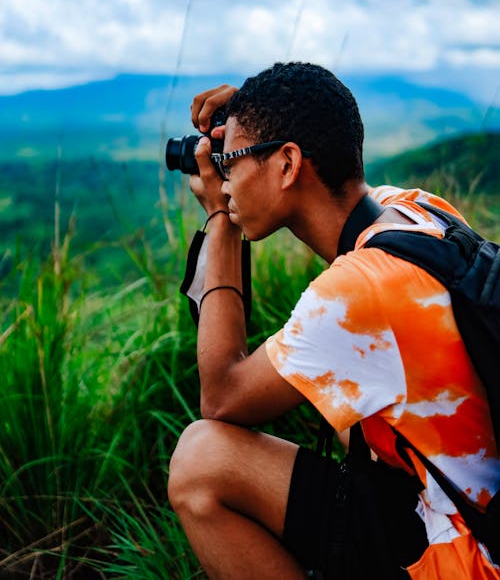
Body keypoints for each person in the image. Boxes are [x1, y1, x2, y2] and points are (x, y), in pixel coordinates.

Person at [167, 62, 500, 579]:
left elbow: (222, 397)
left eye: (229, 163)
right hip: (470, 505)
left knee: (199, 460)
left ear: (287, 164)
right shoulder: (413, 211)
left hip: (464, 556)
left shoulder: (357, 291)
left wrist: (219, 221)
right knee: (346, 423)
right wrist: (251, 123)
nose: (223, 179)